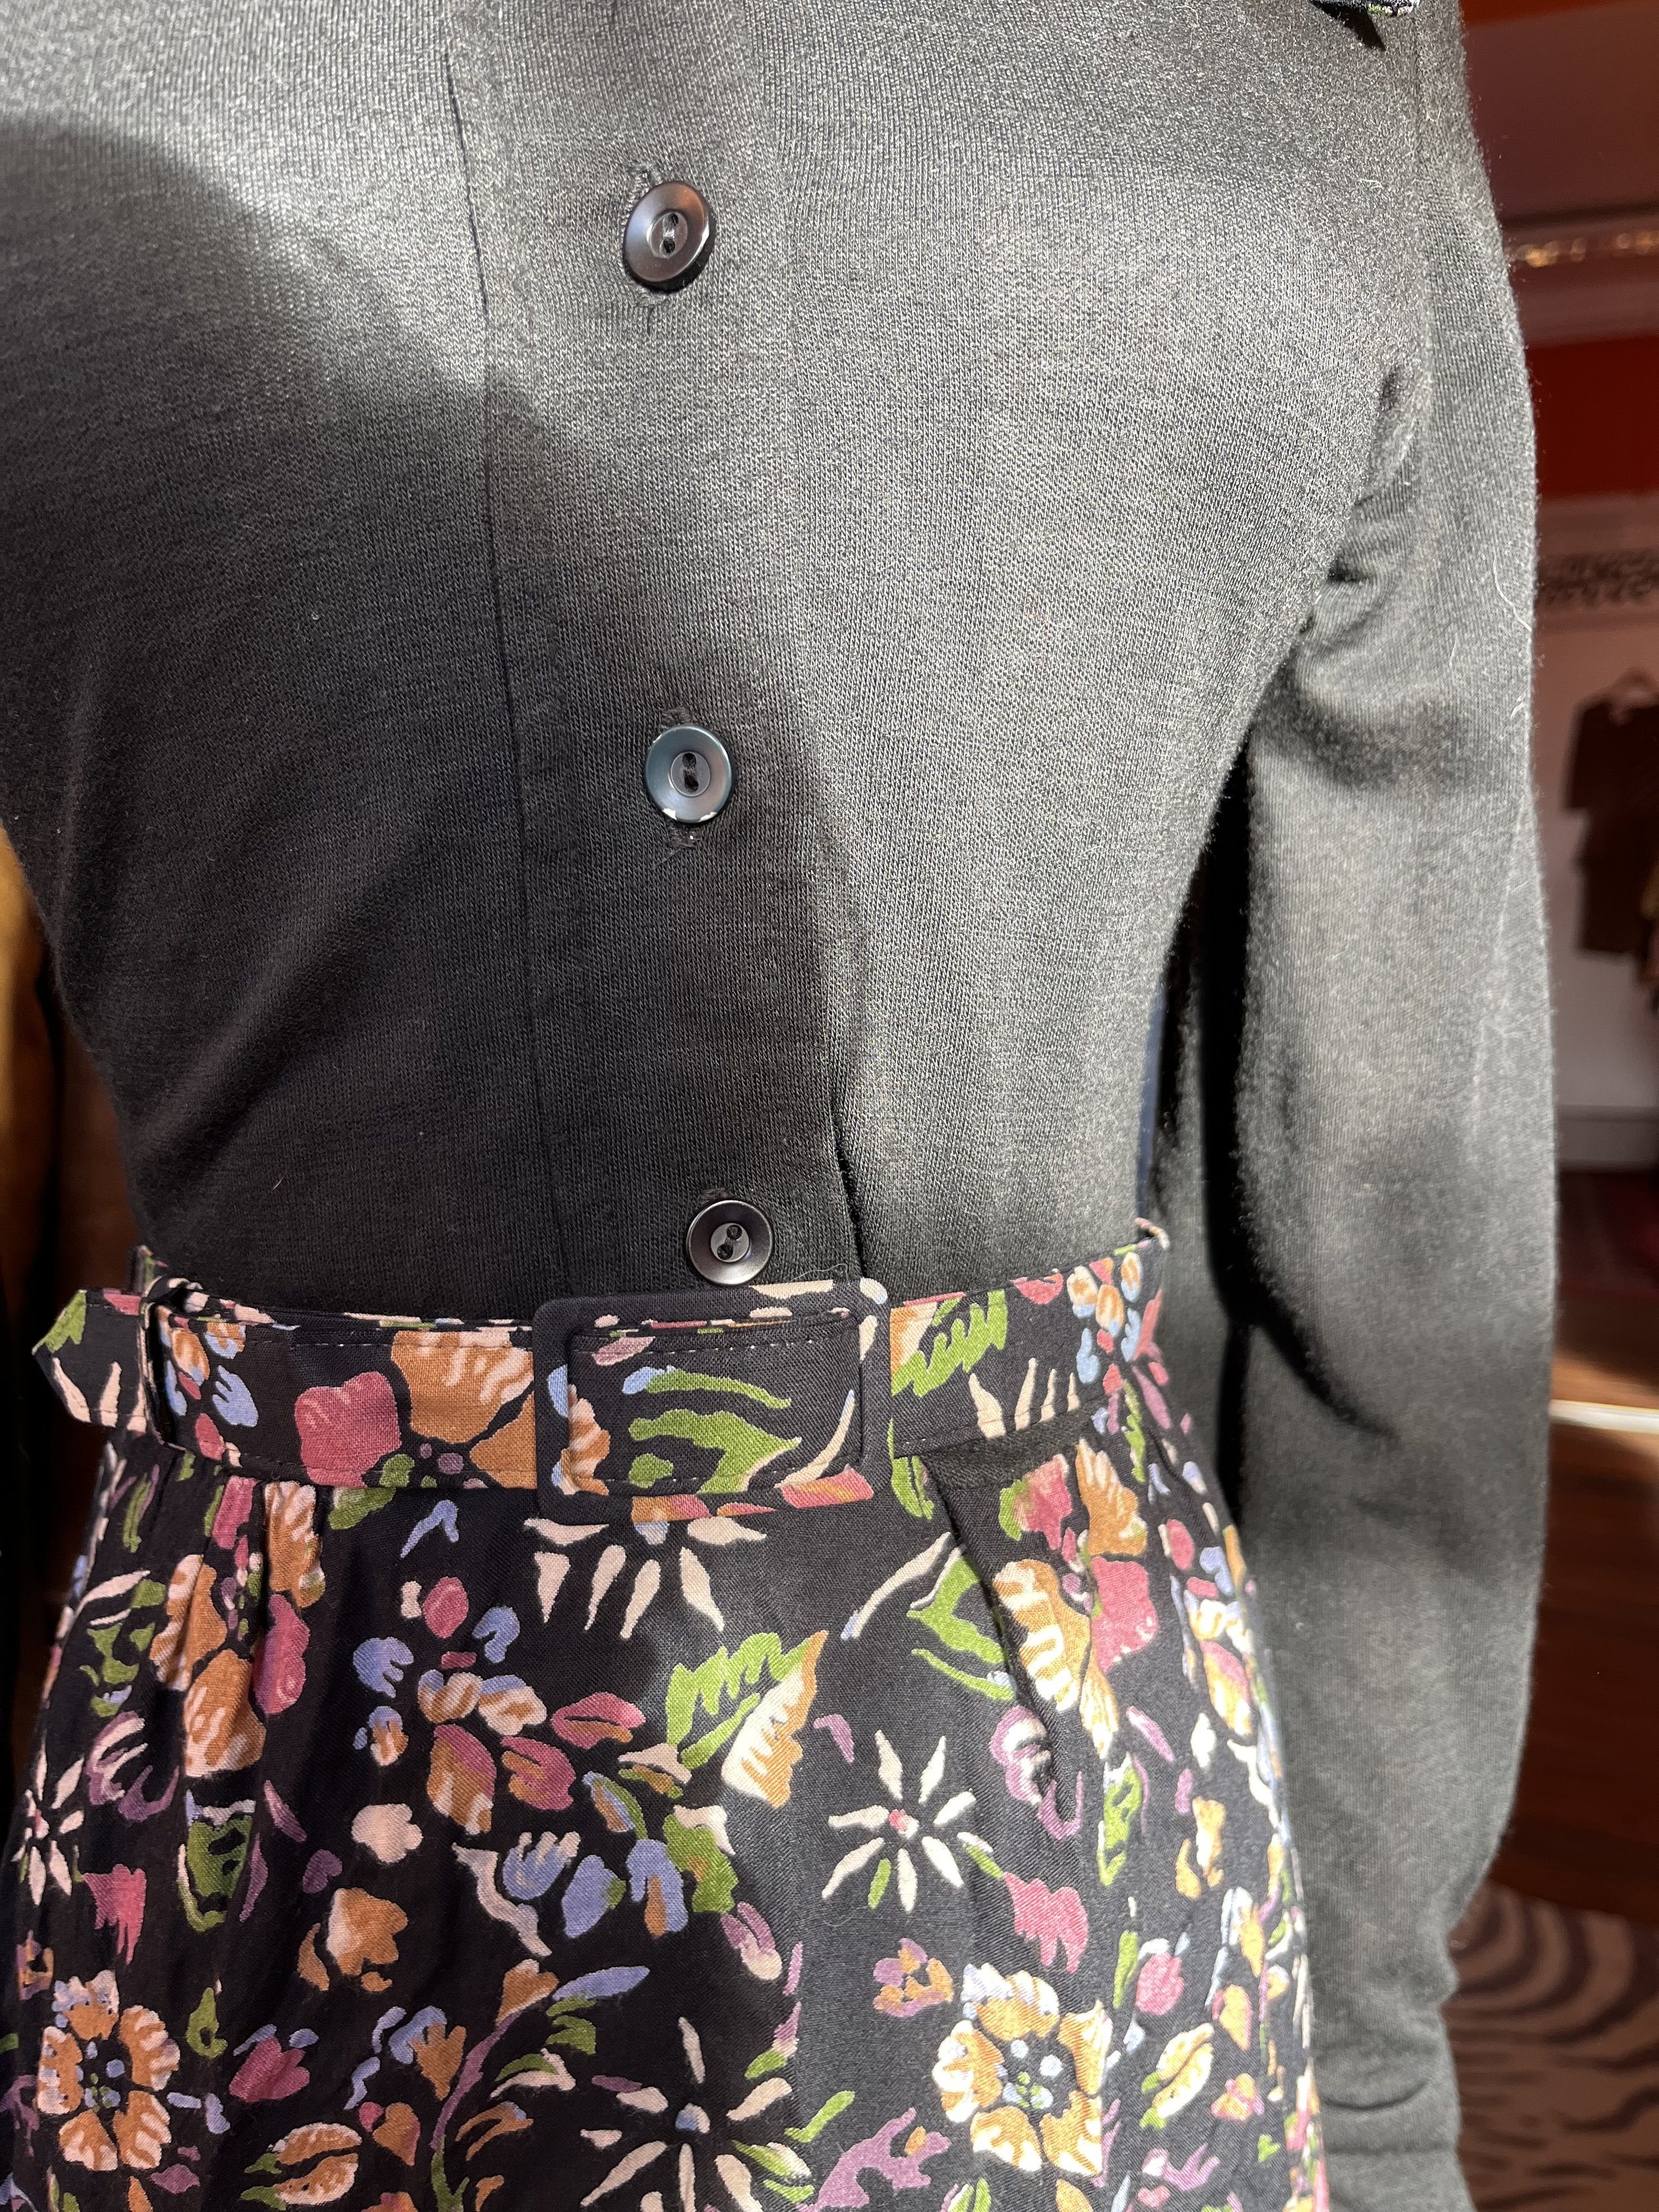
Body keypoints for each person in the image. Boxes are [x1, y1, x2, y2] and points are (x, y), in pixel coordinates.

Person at [0, 5, 1553, 2209]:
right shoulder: (1301, 69)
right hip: (1039, 1809)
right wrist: (1366, 2080)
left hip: (297, 1816)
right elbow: (1394, 1224)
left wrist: (1370, 2070)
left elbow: (1393, 1223)